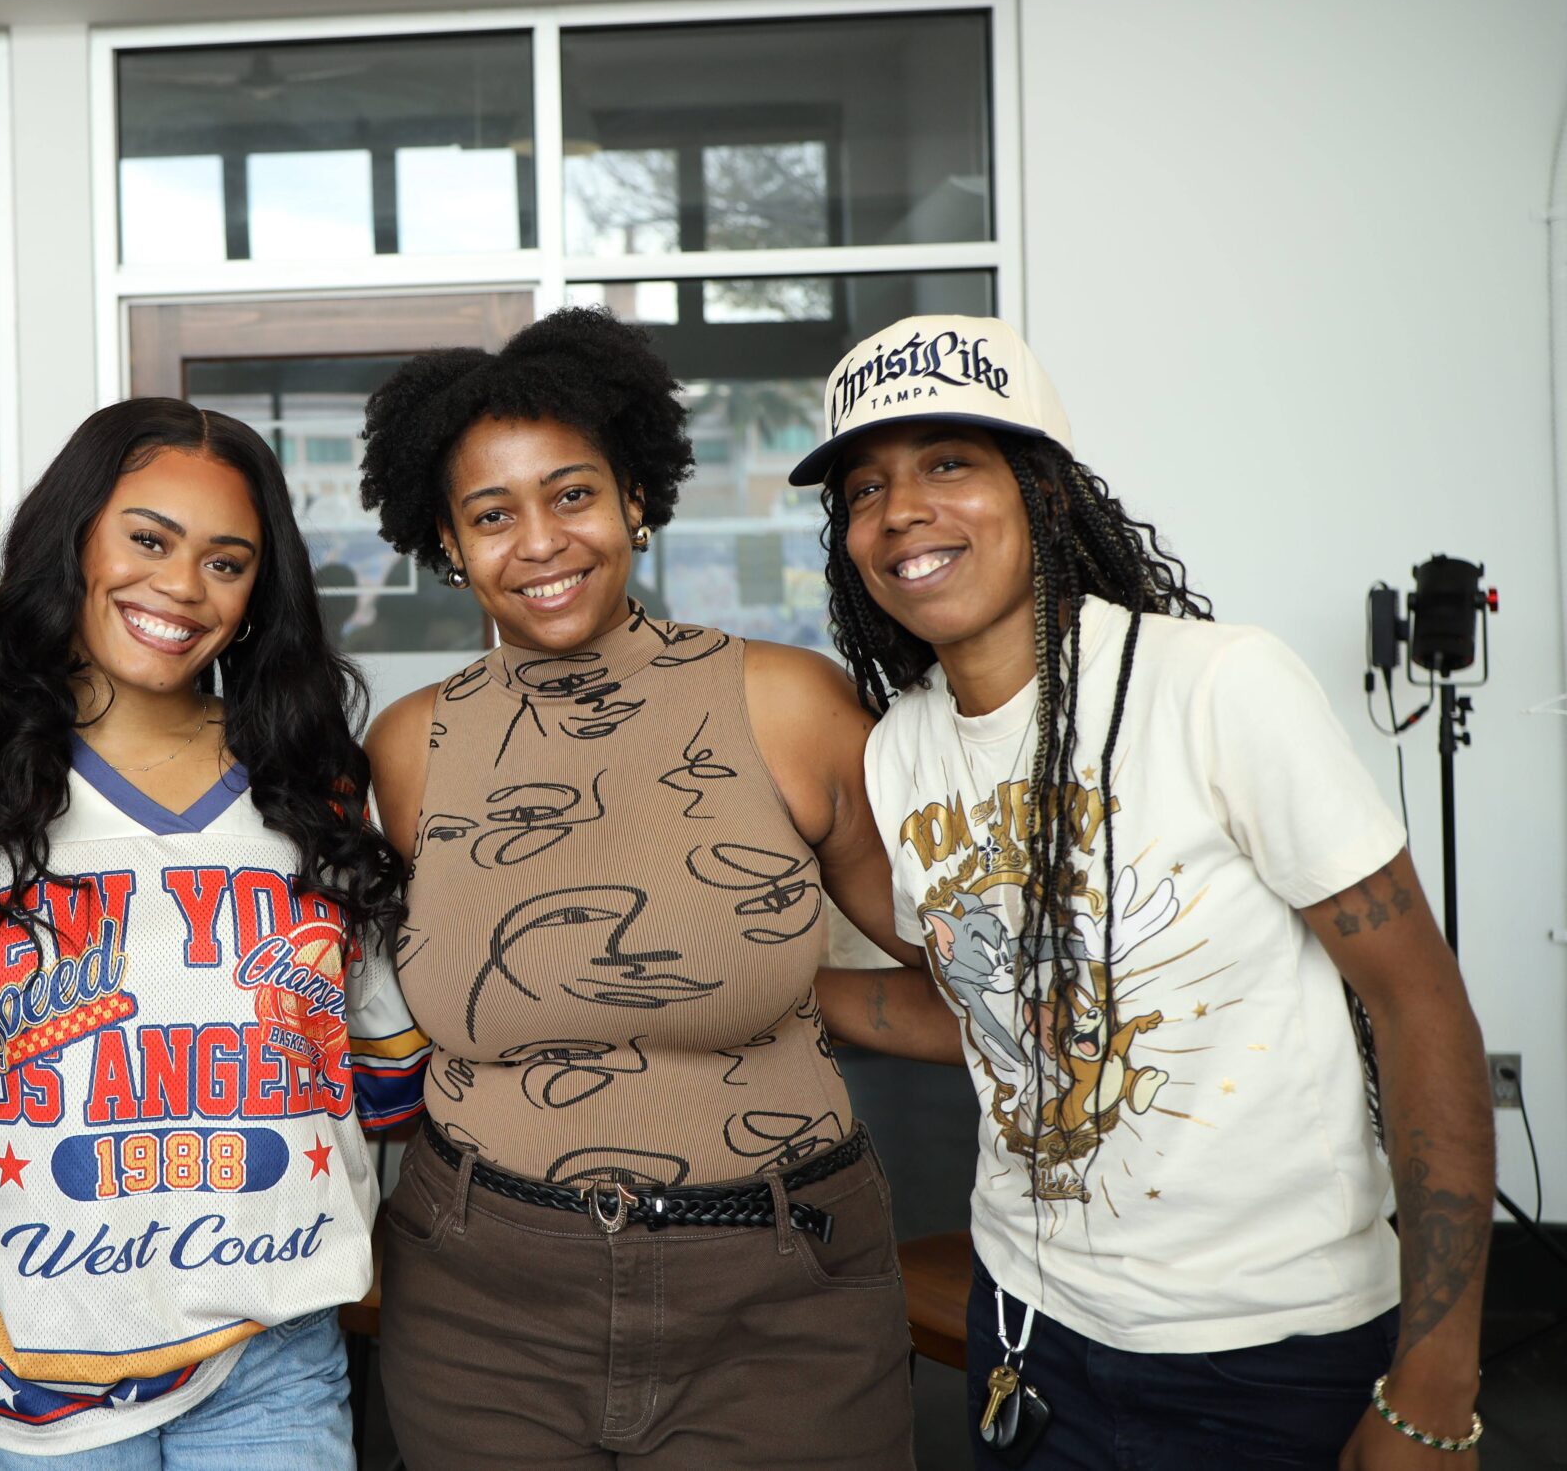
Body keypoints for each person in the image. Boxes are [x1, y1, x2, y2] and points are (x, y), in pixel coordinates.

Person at [801, 314, 1495, 1468]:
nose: (901, 510)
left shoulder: (1217, 688)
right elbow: (979, 1013)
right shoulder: (900, 751)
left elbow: (1418, 1004)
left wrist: (1436, 1378)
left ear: (1043, 492)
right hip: (1028, 1327)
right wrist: (759, 989)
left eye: (948, 463)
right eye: (864, 488)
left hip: (1269, 1349)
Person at [358, 308, 918, 1471]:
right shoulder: (411, 748)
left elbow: (964, 958)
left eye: (571, 495)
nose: (540, 542)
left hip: (777, 1294)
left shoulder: (785, 703)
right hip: (480, 1302)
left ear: (634, 501)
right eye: (491, 515)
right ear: (446, 543)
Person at [0, 398, 426, 1470]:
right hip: (22, 1367)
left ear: (258, 595)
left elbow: (389, 1078)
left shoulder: (318, 788)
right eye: (149, 540)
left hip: (274, 1349)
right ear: (72, 540)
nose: (182, 585)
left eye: (227, 561)